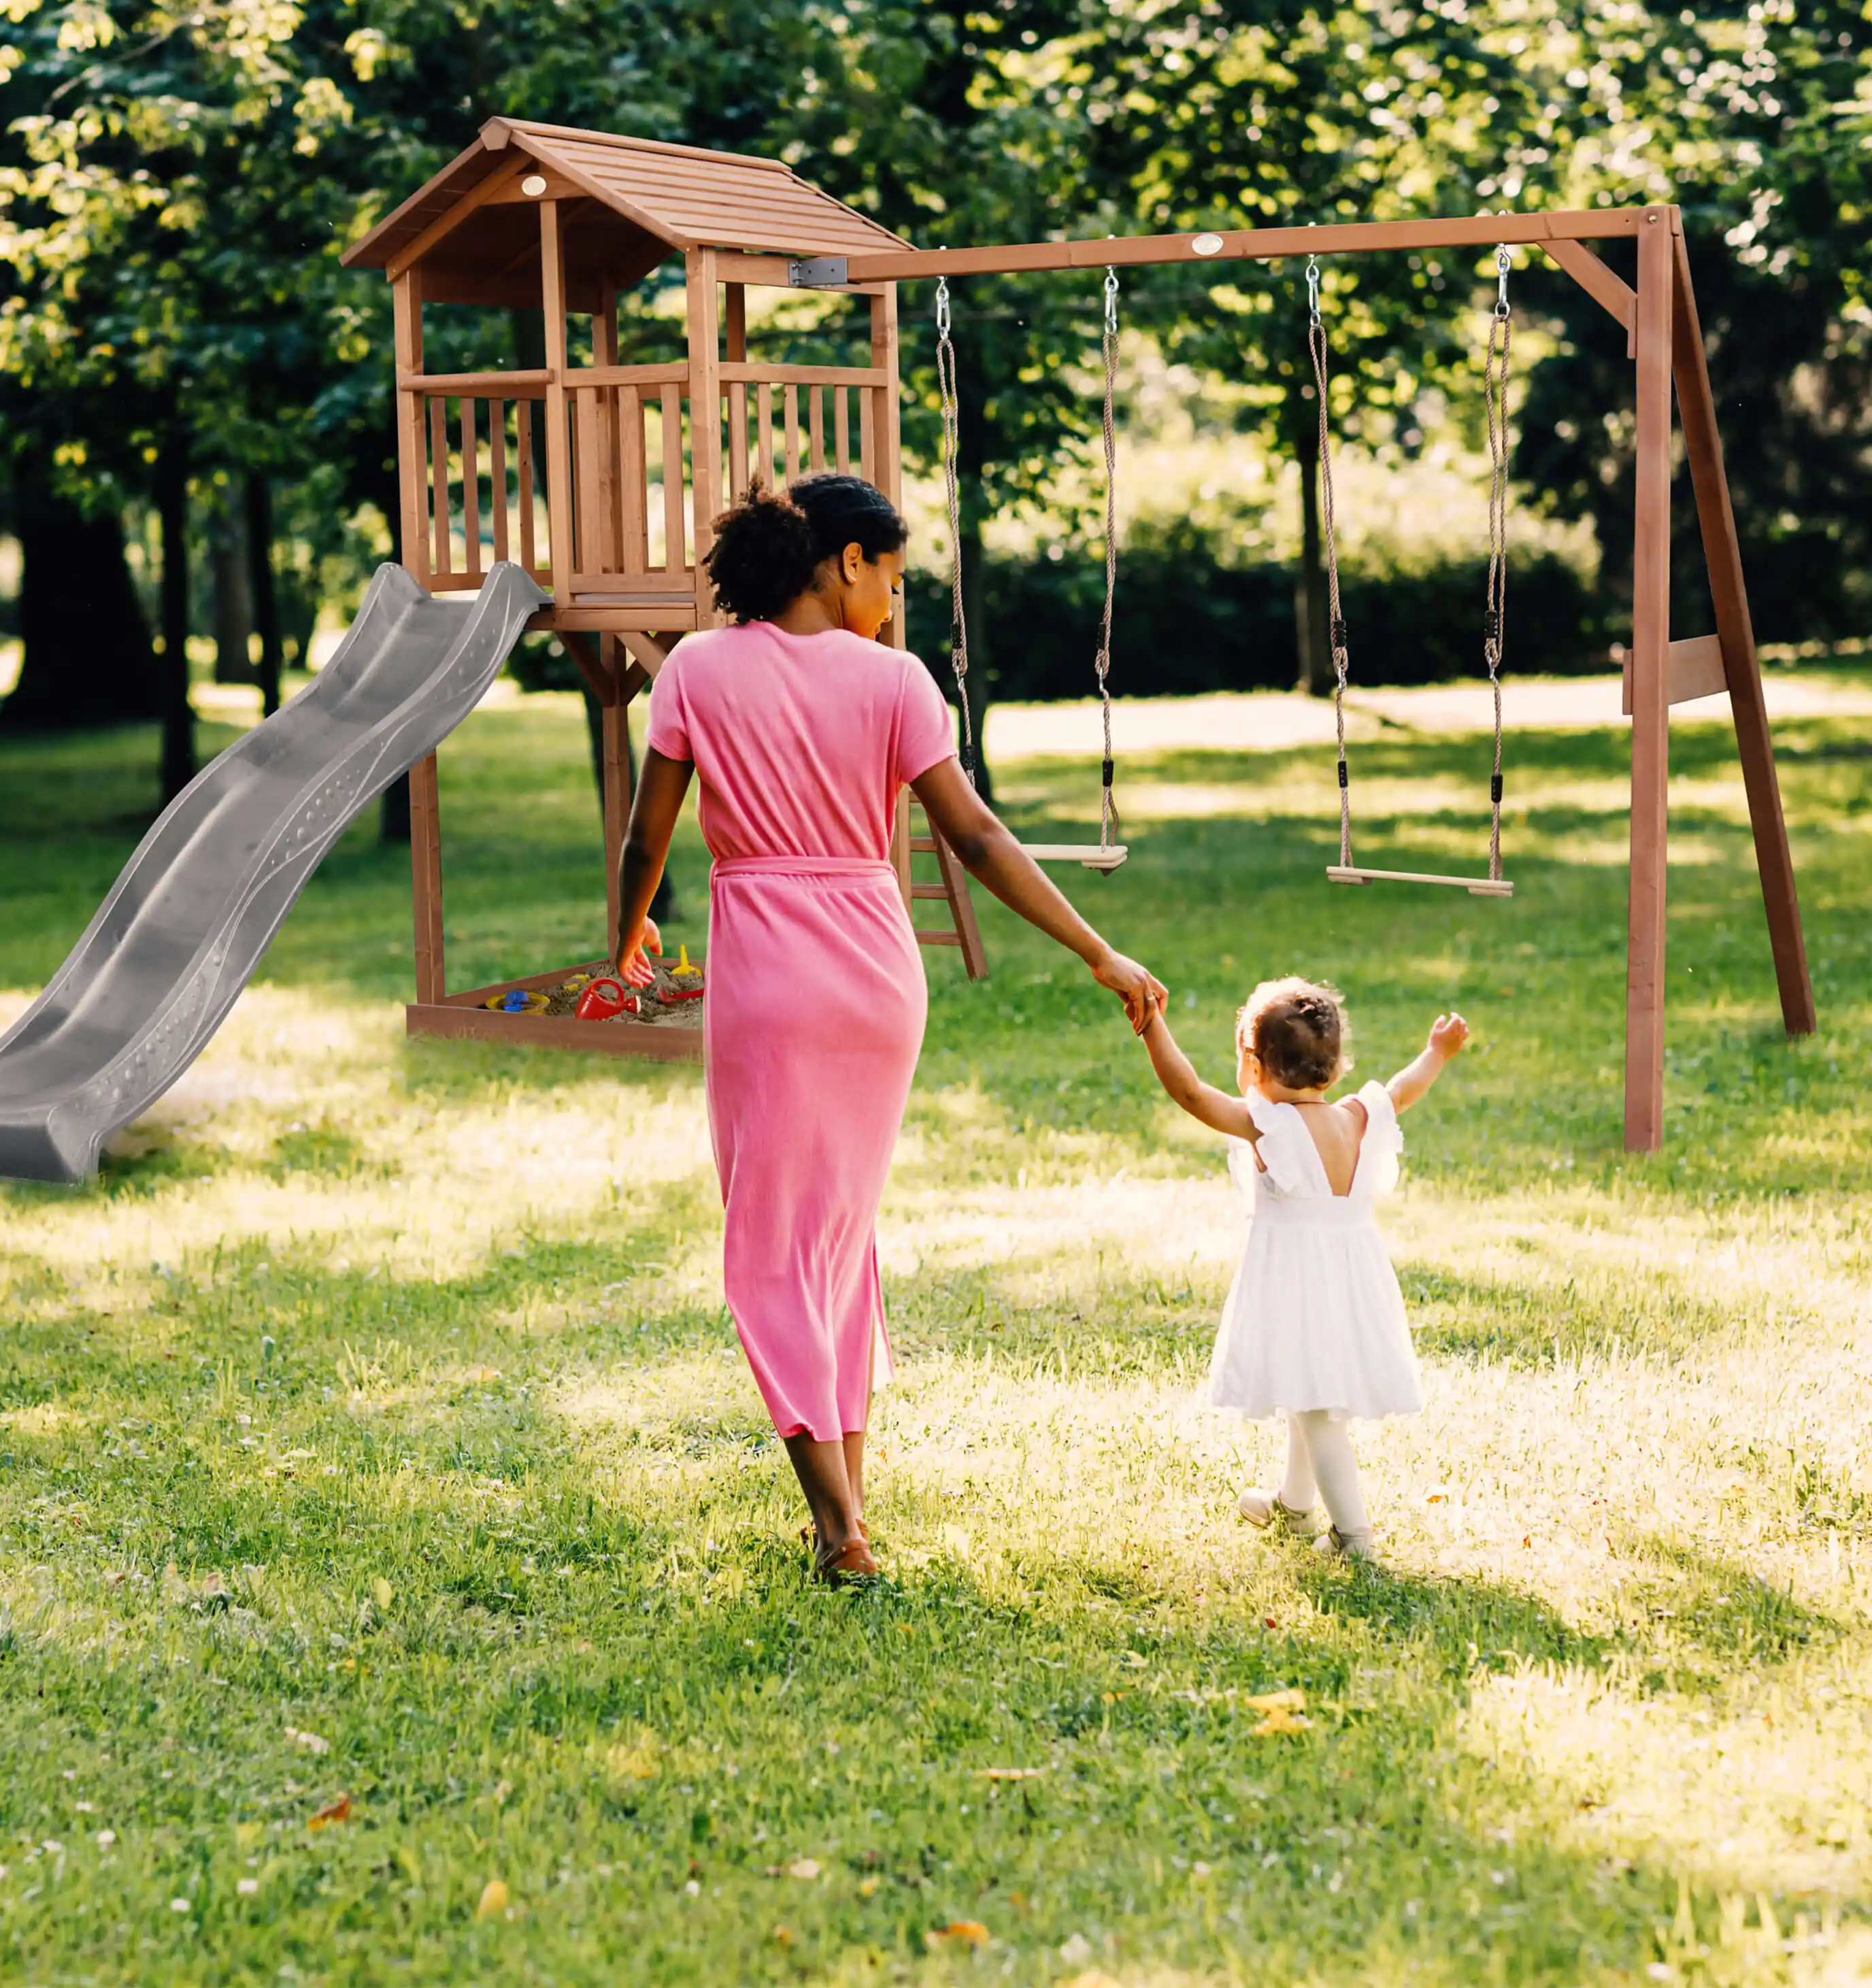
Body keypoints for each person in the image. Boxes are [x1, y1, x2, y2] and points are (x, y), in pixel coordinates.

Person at [614, 474, 1167, 1581]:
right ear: (846, 562)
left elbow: (647, 837)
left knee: (771, 1247)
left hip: (768, 972)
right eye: (894, 578)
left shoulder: (696, 670)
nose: (895, 604)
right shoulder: (897, 683)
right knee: (837, 1239)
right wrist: (1095, 949)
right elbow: (975, 839)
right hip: (876, 972)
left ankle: (838, 1527)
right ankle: (849, 1506)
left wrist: (623, 938)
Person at [1135, 978, 1469, 1561]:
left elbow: (1189, 1092)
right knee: (1304, 1386)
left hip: (1298, 1282)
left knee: (1316, 1408)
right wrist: (1436, 1053)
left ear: (1255, 1064)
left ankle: (1353, 1536)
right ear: (1335, 1068)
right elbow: (1403, 1089)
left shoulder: (1269, 1126)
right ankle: (1293, 1506)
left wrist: (1151, 1024)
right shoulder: (1357, 1116)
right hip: (1350, 1278)